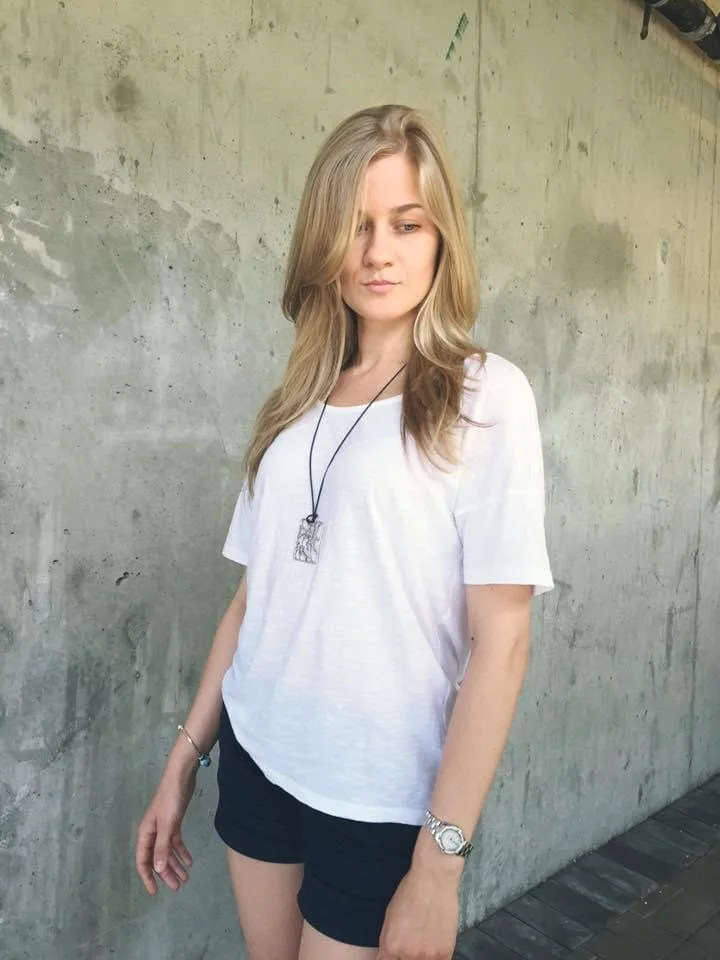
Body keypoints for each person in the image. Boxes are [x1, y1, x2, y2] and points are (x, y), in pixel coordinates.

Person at [135, 103, 553, 960]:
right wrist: (184, 760)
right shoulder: (296, 404)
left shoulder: (484, 395)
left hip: (379, 795)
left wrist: (439, 865)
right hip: (258, 755)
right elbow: (253, 598)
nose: (377, 252)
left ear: (442, 239)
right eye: (355, 224)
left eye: (406, 223)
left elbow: (503, 640)